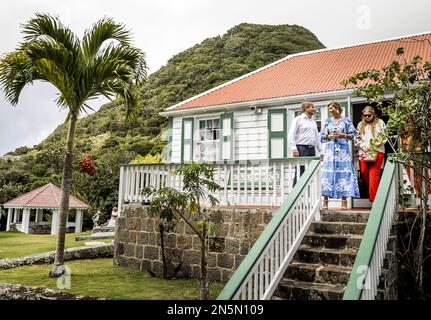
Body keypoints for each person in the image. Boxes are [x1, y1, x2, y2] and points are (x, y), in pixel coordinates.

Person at [321, 101, 360, 210]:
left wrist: (344, 135)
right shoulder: (327, 121)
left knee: (344, 174)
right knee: (327, 175)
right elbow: (322, 137)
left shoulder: (346, 120)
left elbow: (354, 135)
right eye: (329, 109)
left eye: (331, 108)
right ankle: (325, 201)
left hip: (343, 151)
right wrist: (328, 136)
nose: (330, 110)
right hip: (329, 151)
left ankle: (344, 201)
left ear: (337, 108)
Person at [356, 106, 387, 202]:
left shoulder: (380, 122)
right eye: (365, 115)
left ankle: (373, 199)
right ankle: (373, 191)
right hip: (363, 151)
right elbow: (357, 138)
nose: (367, 117)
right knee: (364, 172)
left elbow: (384, 136)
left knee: (374, 174)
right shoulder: (360, 125)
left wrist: (372, 146)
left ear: (373, 114)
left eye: (369, 115)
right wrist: (362, 146)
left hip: (377, 151)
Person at [288, 101, 322, 185]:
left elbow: (316, 137)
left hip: (312, 150)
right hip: (301, 149)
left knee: (310, 173)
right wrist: (294, 149)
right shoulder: (298, 120)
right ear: (306, 108)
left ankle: (307, 194)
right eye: (312, 107)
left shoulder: (313, 122)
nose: (313, 109)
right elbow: (291, 135)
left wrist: (320, 150)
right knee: (300, 171)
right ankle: (295, 195)